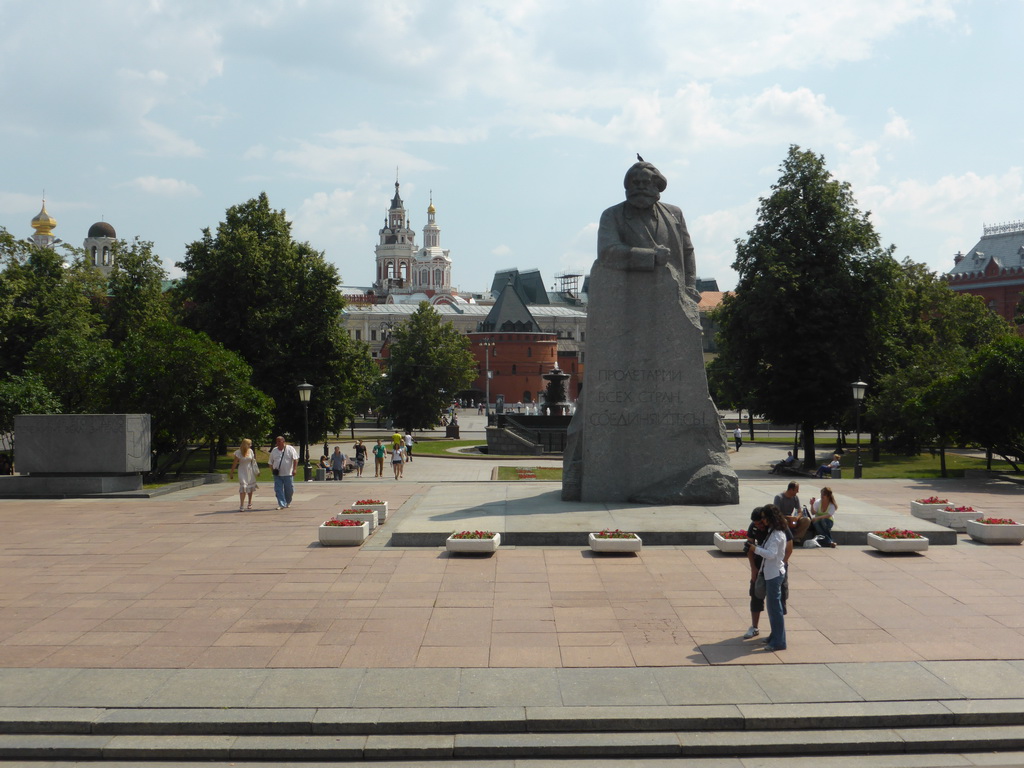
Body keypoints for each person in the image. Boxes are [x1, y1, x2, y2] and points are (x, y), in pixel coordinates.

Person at [743, 506, 793, 639]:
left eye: (761, 521)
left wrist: (781, 564)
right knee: (756, 594)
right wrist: (753, 569)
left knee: (777, 603)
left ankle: (777, 634)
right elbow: (749, 549)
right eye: (756, 523)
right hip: (761, 566)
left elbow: (789, 549)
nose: (759, 525)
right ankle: (755, 627)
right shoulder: (755, 527)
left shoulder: (777, 529)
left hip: (775, 568)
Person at [751, 504, 788, 652]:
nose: (763, 520)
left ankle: (779, 641)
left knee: (775, 610)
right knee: (773, 609)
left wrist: (756, 549)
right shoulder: (774, 531)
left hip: (774, 574)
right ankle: (775, 636)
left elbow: (771, 554)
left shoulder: (777, 534)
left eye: (765, 518)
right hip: (771, 573)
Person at [773, 481, 811, 545]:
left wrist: (796, 518)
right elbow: (776, 513)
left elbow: (800, 512)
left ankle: (796, 538)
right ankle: (786, 538)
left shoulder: (795, 498)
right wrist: (789, 518)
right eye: (796, 490)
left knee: (807, 520)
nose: (797, 492)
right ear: (791, 490)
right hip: (782, 518)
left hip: (792, 519)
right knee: (784, 521)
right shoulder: (779, 497)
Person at [268, 435, 299, 510]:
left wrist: (294, 469)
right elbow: (270, 462)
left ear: (283, 441)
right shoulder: (274, 450)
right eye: (277, 441)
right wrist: (273, 471)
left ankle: (287, 501)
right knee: (278, 489)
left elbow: (295, 459)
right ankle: (281, 504)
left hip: (288, 473)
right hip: (278, 475)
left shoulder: (290, 449)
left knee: (289, 489)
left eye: (279, 441)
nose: (277, 443)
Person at [229, 438, 260, 510]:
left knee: (250, 487)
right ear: (245, 444)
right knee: (243, 486)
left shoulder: (251, 451)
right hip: (242, 470)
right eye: (249, 444)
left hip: (250, 470)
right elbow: (235, 463)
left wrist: (257, 471)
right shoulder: (238, 452)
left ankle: (249, 502)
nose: (250, 446)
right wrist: (231, 473)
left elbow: (254, 462)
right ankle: (242, 505)